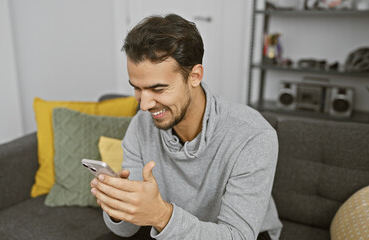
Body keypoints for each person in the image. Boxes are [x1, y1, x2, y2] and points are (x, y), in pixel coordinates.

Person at [90, 13, 283, 240]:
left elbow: (237, 235)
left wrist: (161, 215)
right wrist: (118, 205)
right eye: (137, 88)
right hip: (172, 229)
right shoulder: (141, 126)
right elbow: (127, 230)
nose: (144, 105)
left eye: (158, 89)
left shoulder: (253, 136)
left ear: (195, 76)